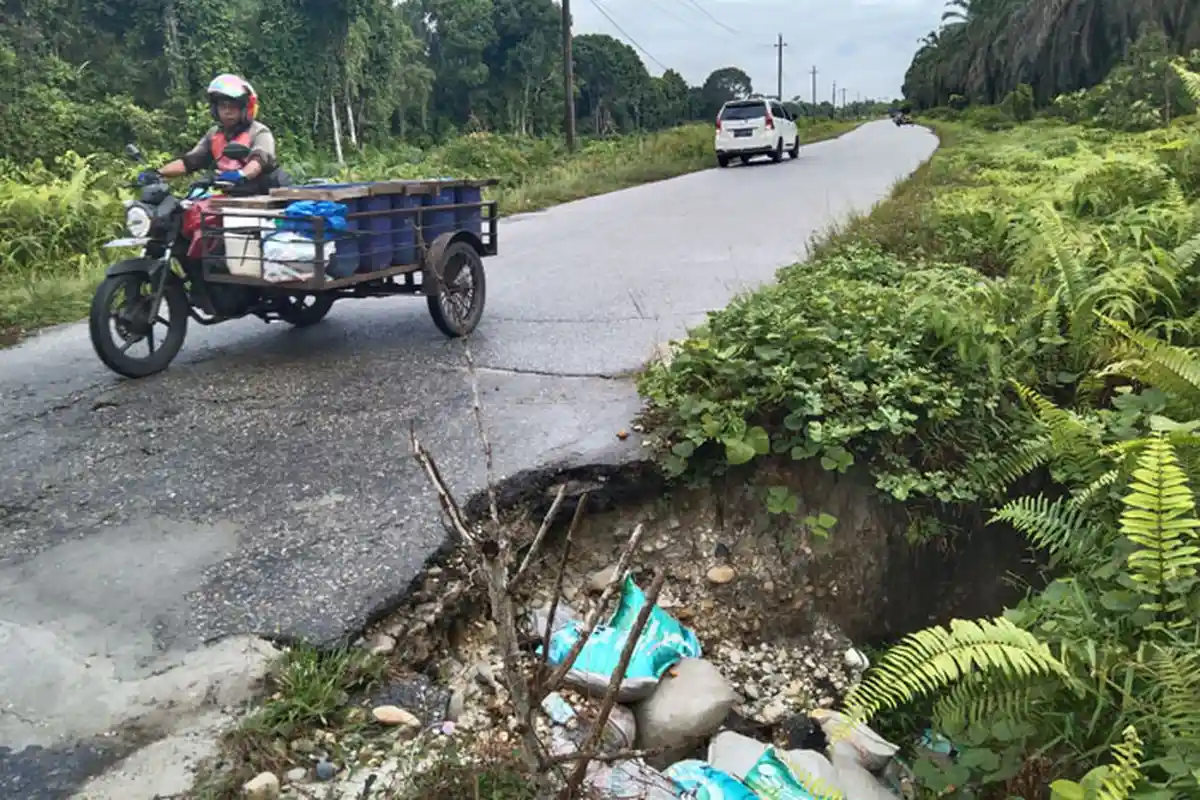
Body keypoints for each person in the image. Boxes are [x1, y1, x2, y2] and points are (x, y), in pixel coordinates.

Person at [143, 73, 290, 196]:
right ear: (215, 109)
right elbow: (190, 161)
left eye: (233, 106)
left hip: (268, 196)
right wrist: (158, 173)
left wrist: (241, 174)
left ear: (245, 109)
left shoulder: (259, 131)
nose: (227, 111)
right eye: (223, 106)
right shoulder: (214, 134)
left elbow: (259, 162)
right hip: (233, 197)